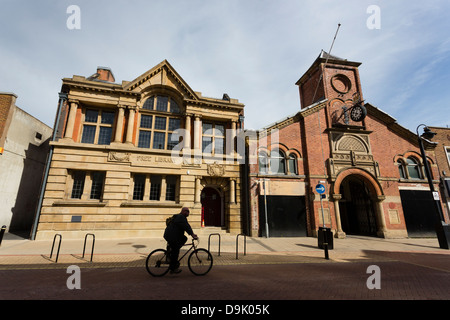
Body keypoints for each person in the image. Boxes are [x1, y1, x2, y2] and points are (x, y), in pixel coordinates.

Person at [163, 207, 198, 273]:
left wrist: (192, 234)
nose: (188, 213)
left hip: (171, 235)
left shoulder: (180, 217)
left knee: (184, 238)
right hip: (171, 236)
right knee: (176, 251)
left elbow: (187, 226)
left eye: (188, 211)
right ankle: (173, 269)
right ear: (183, 211)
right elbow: (187, 227)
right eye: (187, 211)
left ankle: (171, 253)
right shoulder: (181, 217)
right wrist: (192, 235)